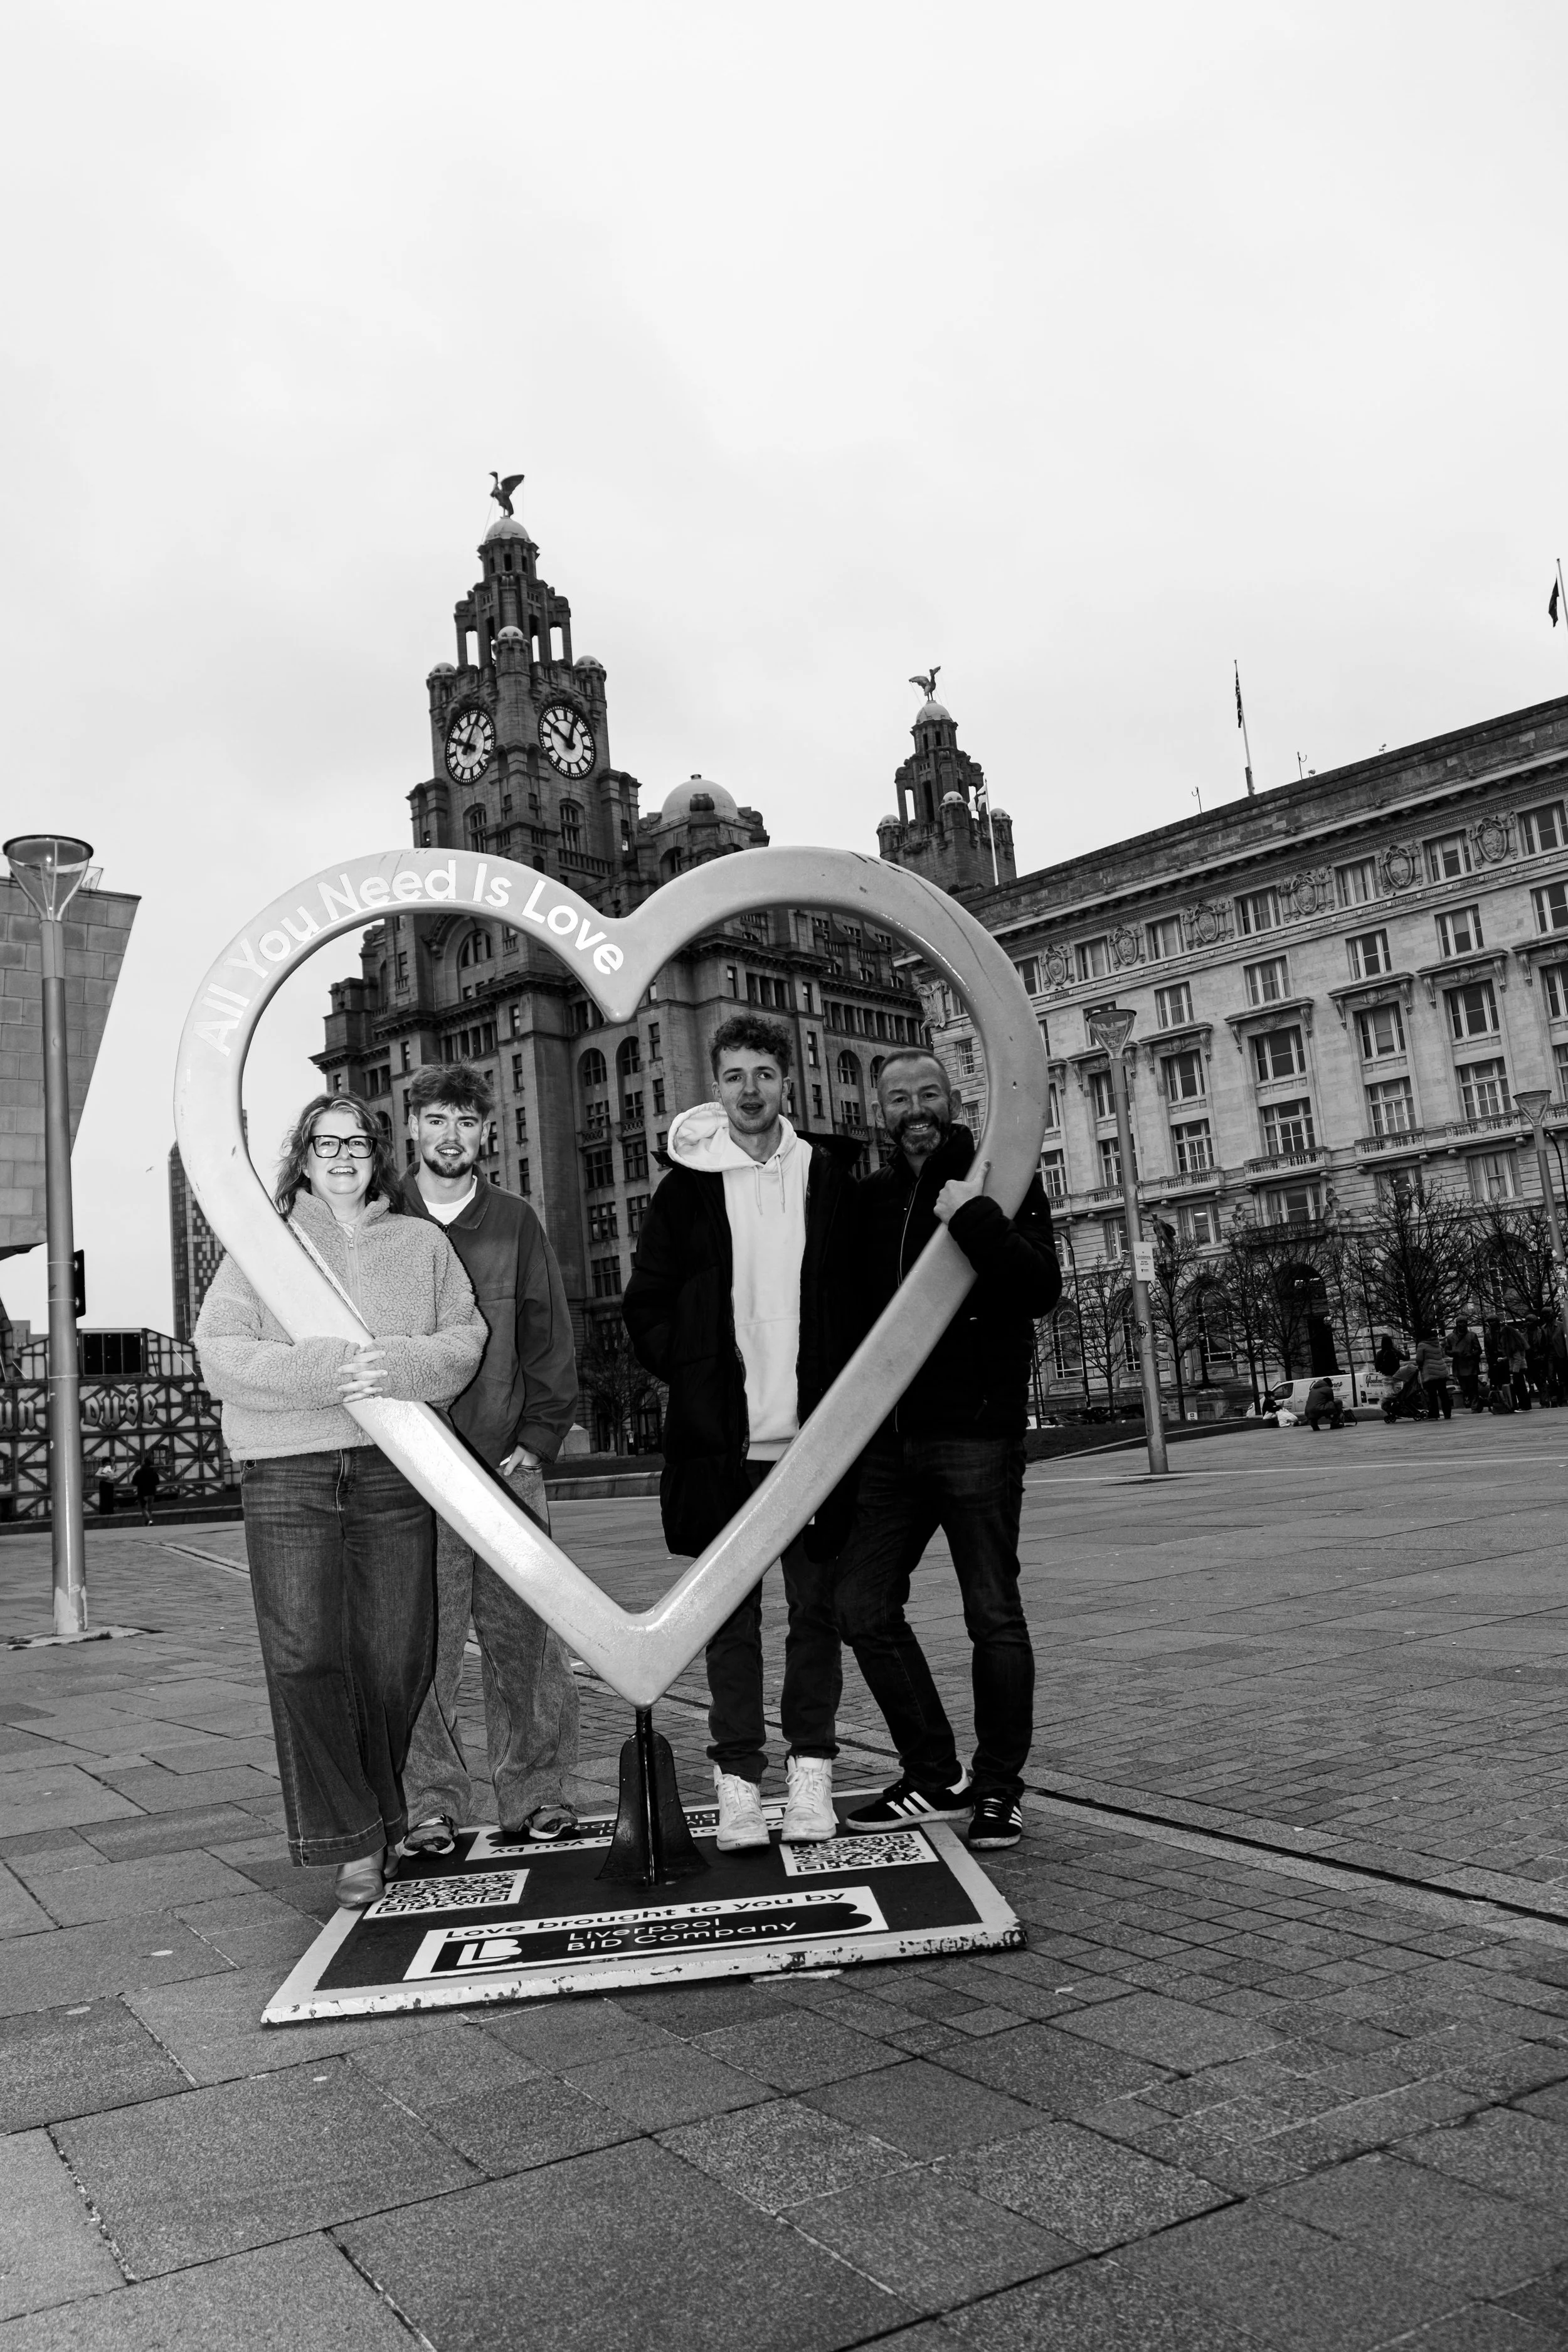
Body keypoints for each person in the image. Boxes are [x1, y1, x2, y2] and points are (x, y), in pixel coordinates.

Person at [194, 1095, 486, 1909]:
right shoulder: (265, 1244)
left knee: (397, 1655)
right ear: (305, 1155)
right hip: (287, 1468)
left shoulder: (419, 1242)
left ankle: (379, 1811)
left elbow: (463, 1342)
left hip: (395, 1464)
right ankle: (356, 1840)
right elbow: (220, 1353)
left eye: (358, 1141)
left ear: (377, 1153)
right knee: (305, 1656)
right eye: (328, 1142)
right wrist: (325, 1369)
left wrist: (391, 1364)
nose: (345, 1154)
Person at [623, 1014, 862, 1850]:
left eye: (765, 1071)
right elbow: (644, 1304)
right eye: (734, 1075)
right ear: (715, 1086)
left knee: (815, 1615)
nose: (750, 1088)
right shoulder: (686, 1187)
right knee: (729, 1622)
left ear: (787, 1081)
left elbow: (868, 1299)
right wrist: (694, 1372)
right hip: (724, 1445)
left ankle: (811, 1774)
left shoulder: (828, 1174)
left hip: (815, 1444)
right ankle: (736, 1785)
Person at [831, 1049, 1061, 1853]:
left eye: (929, 1092)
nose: (915, 1107)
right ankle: (932, 1772)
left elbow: (1039, 1287)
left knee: (991, 1615)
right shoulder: (870, 1199)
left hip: (975, 1431)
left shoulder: (1001, 1177)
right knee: (859, 1604)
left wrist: (972, 1215)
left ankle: (998, 1788)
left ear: (953, 1101)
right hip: (891, 1443)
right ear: (881, 1111)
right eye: (899, 1097)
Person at [398, 1065, 581, 1851]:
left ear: (487, 1132)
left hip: (505, 1468)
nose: (450, 1136)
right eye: (436, 1119)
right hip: (407, 1474)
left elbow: (549, 1340)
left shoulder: (513, 1221)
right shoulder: (383, 1219)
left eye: (466, 1122)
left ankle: (534, 1795)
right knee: (421, 1650)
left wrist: (537, 1443)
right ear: (411, 1128)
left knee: (527, 1644)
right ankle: (431, 1803)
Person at [1414, 1331, 1453, 1422]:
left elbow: (1419, 1359)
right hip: (1441, 1371)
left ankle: (1434, 1415)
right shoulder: (1437, 1344)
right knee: (1444, 1394)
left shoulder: (1422, 1345)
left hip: (1430, 1372)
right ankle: (1448, 1413)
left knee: (1432, 1395)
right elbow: (1442, 1356)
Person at [1449, 1318, 1482, 1412]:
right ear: (1457, 1324)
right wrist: (1454, 1352)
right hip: (1459, 1364)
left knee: (1473, 1387)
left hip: (1470, 1364)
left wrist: (1471, 1354)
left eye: (1464, 1322)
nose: (1462, 1324)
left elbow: (1478, 1350)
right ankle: (1472, 1401)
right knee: (1464, 1388)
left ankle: (1475, 1406)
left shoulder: (1472, 1335)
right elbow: (1447, 1350)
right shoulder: (1451, 1337)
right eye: (1460, 1322)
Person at [131, 1454, 160, 1525]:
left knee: (143, 1508)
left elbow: (134, 1482)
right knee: (150, 1508)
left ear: (143, 1463)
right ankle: (147, 1522)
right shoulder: (153, 1472)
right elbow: (157, 1482)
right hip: (152, 1492)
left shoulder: (139, 1472)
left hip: (143, 1492)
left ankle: (150, 1520)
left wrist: (140, 1484)